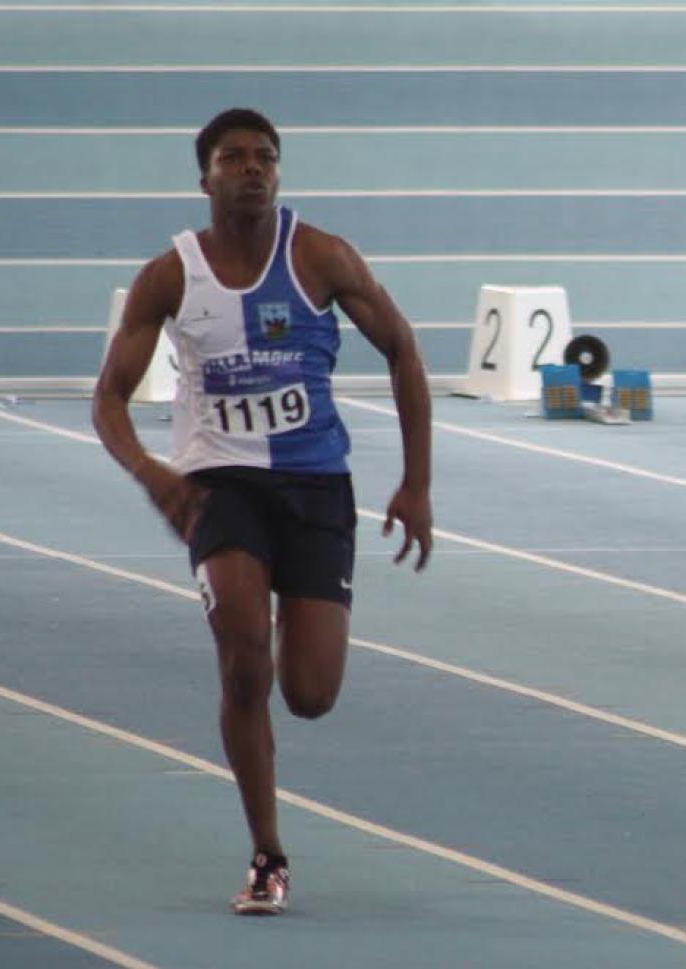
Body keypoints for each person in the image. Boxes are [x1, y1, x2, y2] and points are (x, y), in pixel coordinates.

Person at [92, 107, 433, 915]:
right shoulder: (170, 276)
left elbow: (404, 350)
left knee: (309, 693)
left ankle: (282, 601)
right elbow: (108, 397)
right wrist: (150, 470)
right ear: (204, 176)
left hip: (315, 485)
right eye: (235, 157)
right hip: (219, 485)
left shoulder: (319, 256)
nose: (253, 169)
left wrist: (416, 483)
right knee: (244, 655)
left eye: (265, 158)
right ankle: (267, 853)